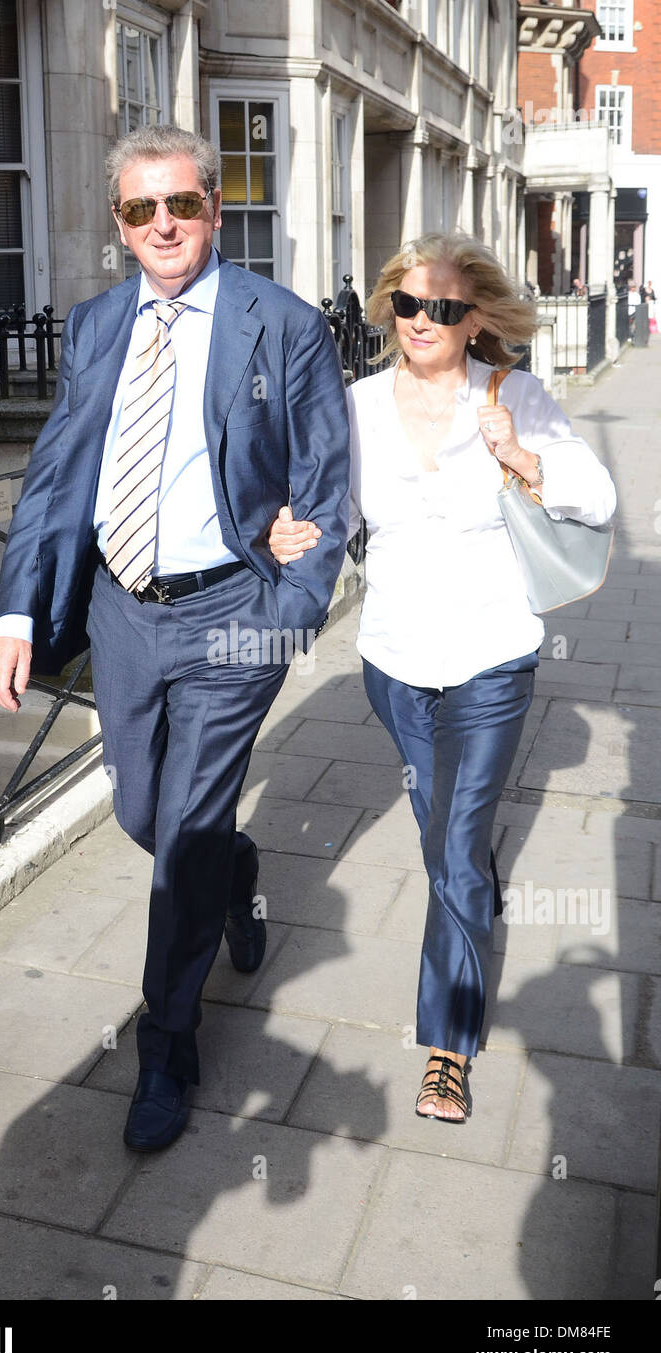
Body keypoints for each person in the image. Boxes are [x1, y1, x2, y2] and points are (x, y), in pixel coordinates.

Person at [0, 125, 350, 1152]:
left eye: (180, 205)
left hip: (232, 613)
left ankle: (167, 1040)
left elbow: (326, 488)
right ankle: (233, 872)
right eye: (140, 210)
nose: (162, 226)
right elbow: (58, 474)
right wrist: (18, 610)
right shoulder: (97, 323)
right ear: (119, 224)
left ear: (214, 209)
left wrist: (286, 615)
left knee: (180, 830)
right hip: (121, 610)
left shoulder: (278, 325)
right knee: (146, 812)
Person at [269, 233, 616, 1123]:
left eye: (447, 308)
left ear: (477, 321)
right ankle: (472, 891)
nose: (425, 320)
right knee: (448, 837)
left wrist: (525, 457)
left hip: (492, 654)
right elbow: (328, 516)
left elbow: (599, 497)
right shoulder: (355, 406)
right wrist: (288, 535)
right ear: (390, 309)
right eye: (411, 304)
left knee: (456, 846)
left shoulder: (514, 396)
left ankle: (446, 1047)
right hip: (393, 660)